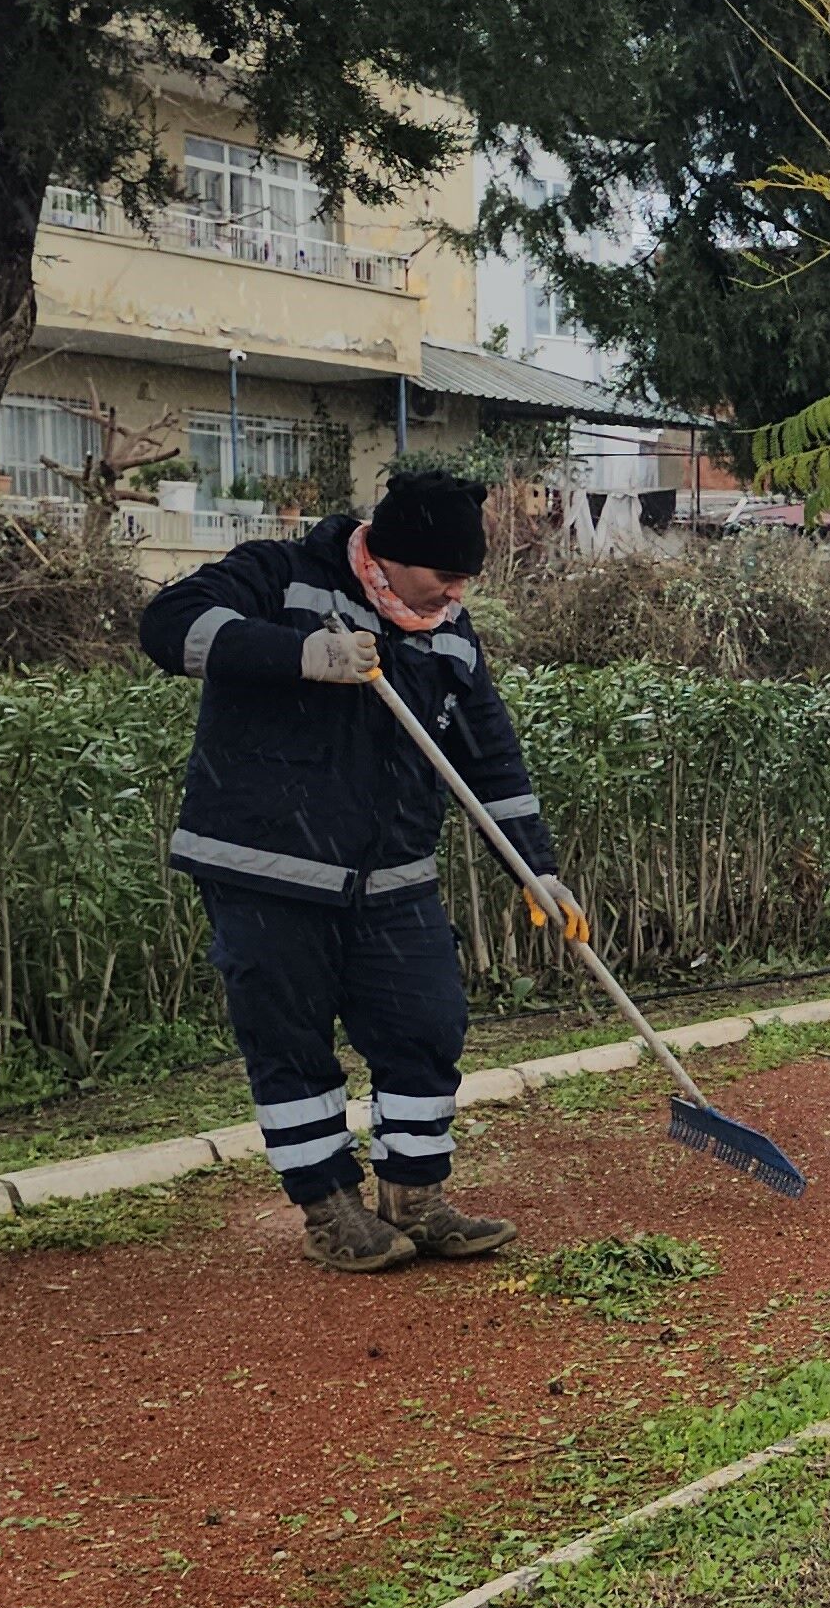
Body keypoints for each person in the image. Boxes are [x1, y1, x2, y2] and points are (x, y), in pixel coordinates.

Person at [138, 471, 589, 1269]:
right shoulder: (279, 574)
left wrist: (536, 870)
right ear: (389, 552)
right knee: (291, 1043)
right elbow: (168, 626)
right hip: (267, 869)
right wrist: (303, 654)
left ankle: (416, 1197)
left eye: (465, 578)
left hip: (393, 878)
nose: (455, 592)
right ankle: (330, 1210)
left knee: (428, 1025)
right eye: (443, 574)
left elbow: (489, 758)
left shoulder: (450, 631)